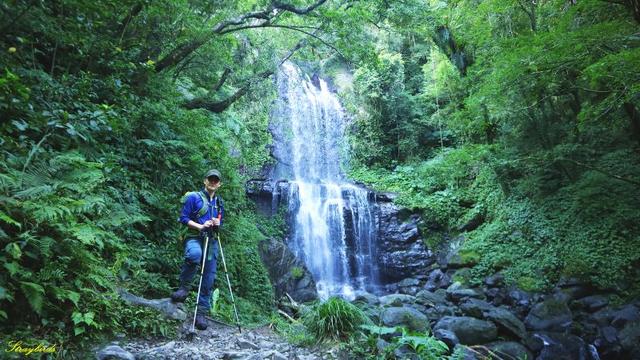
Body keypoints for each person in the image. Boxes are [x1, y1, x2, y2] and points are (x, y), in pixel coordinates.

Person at [171, 169, 225, 330]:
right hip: (194, 237)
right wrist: (201, 226)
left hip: (212, 240)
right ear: (205, 181)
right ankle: (183, 288)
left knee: (208, 278)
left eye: (216, 180)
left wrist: (217, 223)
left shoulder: (219, 202)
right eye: (210, 179)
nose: (213, 182)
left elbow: (221, 219)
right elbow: (184, 218)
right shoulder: (194, 197)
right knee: (194, 254)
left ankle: (201, 313)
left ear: (219, 184)